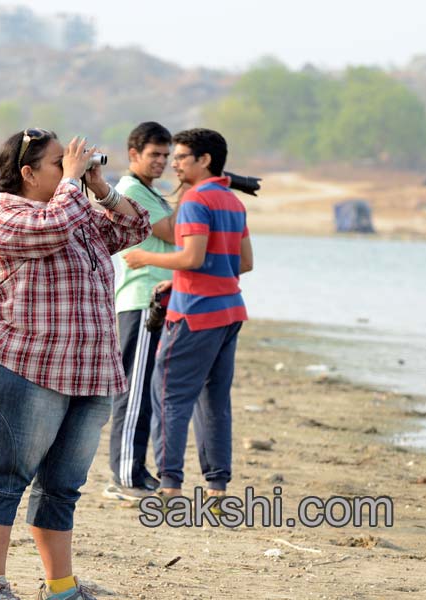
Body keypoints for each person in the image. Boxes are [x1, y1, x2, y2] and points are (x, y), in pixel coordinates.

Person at [0, 130, 150, 600]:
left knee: (63, 486)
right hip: (20, 367)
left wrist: (100, 186)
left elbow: (134, 229)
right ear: (28, 173)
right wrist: (72, 182)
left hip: (87, 373)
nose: (71, 169)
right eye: (57, 163)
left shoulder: (76, 210)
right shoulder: (9, 216)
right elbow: (50, 229)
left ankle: (61, 587)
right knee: (4, 478)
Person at [123, 128, 254, 505]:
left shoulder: (196, 200)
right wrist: (177, 281)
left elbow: (192, 258)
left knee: (169, 396)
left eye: (181, 157)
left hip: (195, 315)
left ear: (205, 161)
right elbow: (243, 263)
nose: (174, 164)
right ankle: (216, 488)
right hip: (229, 312)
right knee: (215, 401)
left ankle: (170, 486)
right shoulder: (232, 201)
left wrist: (144, 258)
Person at [105, 121, 176, 502]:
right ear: (134, 155)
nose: (162, 162)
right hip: (142, 300)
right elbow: (177, 234)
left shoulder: (150, 191)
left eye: (166, 155)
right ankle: (125, 475)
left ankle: (134, 468)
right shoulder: (132, 189)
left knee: (146, 390)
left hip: (155, 299)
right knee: (134, 391)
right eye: (155, 155)